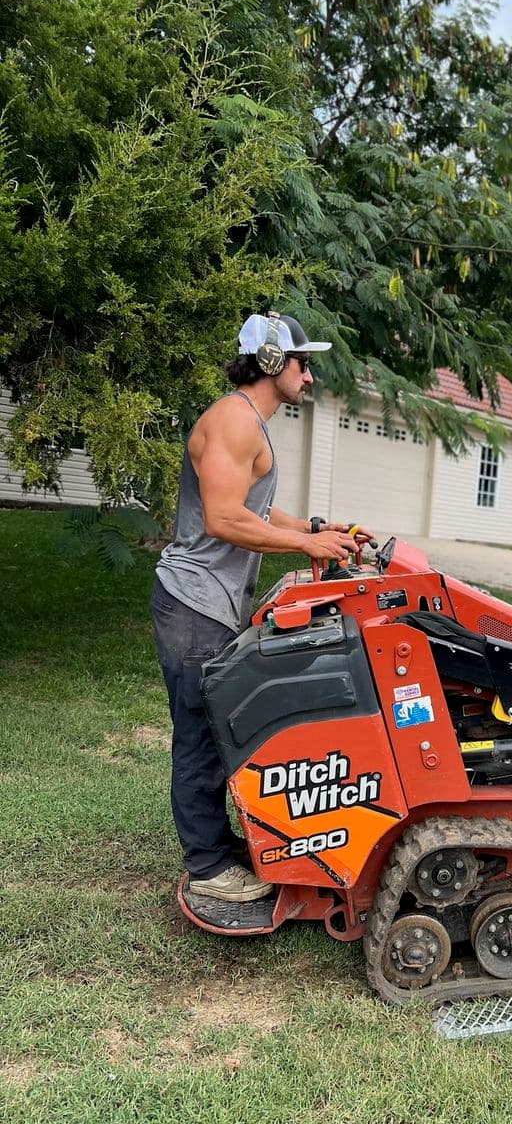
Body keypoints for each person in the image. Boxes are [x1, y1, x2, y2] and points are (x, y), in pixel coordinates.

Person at [152, 311, 371, 903]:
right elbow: (224, 520)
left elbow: (254, 508)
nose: (310, 373)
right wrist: (305, 545)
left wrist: (319, 529)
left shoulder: (249, 422)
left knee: (222, 727)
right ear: (272, 362)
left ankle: (221, 848)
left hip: (209, 604)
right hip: (194, 602)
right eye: (304, 362)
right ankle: (207, 869)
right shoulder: (232, 421)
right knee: (199, 734)